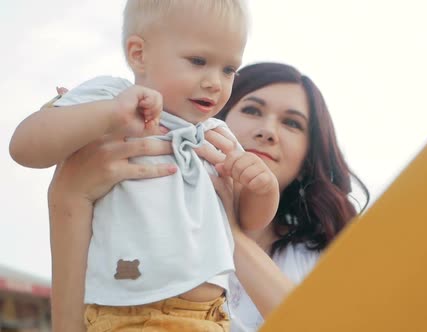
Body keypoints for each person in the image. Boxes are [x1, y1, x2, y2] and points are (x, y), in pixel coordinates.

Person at [9, 1, 280, 331]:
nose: (215, 82)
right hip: (132, 314)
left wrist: (263, 189)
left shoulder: (217, 136)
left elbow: (245, 223)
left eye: (228, 70)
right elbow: (25, 147)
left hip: (211, 316)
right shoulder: (113, 95)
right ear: (139, 54)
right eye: (198, 61)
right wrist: (108, 114)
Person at [47, 62, 370, 331]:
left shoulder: (325, 254)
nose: (267, 130)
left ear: (307, 159)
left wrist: (230, 232)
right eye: (252, 110)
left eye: (292, 123)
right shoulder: (138, 218)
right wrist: (69, 197)